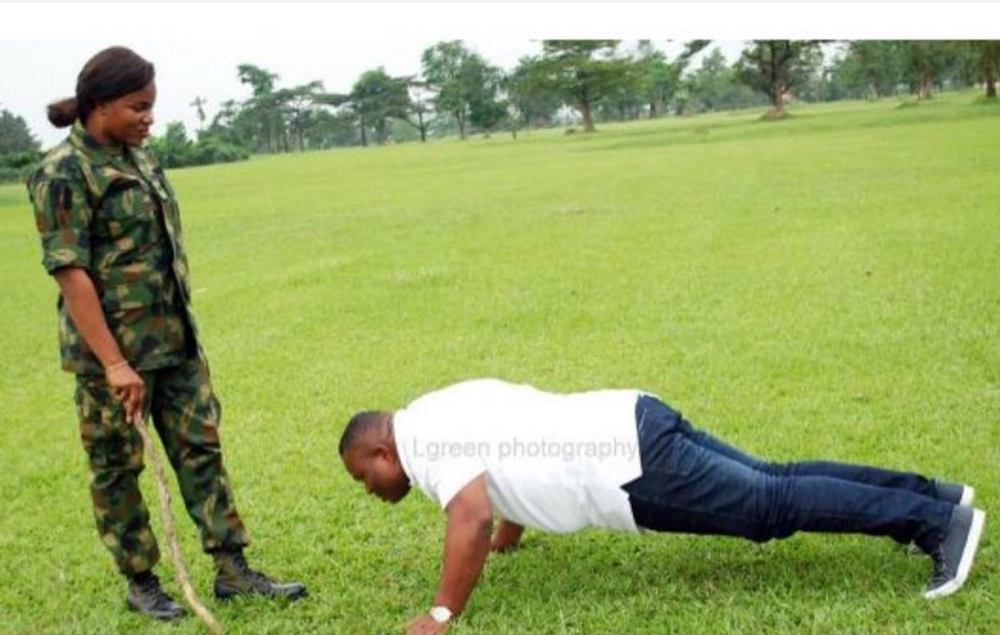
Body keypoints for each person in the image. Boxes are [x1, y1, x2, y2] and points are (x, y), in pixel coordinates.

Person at [340, 378, 986, 635]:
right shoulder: (437, 405)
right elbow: (508, 448)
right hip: (631, 414)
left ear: (380, 447)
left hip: (627, 464)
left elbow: (469, 513)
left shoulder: (422, 439)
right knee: (773, 478)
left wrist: (442, 610)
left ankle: (939, 525)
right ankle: (935, 494)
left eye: (363, 475)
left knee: (768, 504)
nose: (370, 489)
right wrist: (515, 528)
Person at [26, 46, 307, 621]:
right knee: (117, 467)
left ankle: (233, 570)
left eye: (151, 106)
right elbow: (71, 273)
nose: (149, 118)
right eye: (138, 107)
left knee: (202, 451)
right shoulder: (61, 172)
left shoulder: (142, 159)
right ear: (99, 105)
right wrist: (114, 364)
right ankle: (142, 581)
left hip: (175, 343)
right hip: (114, 357)